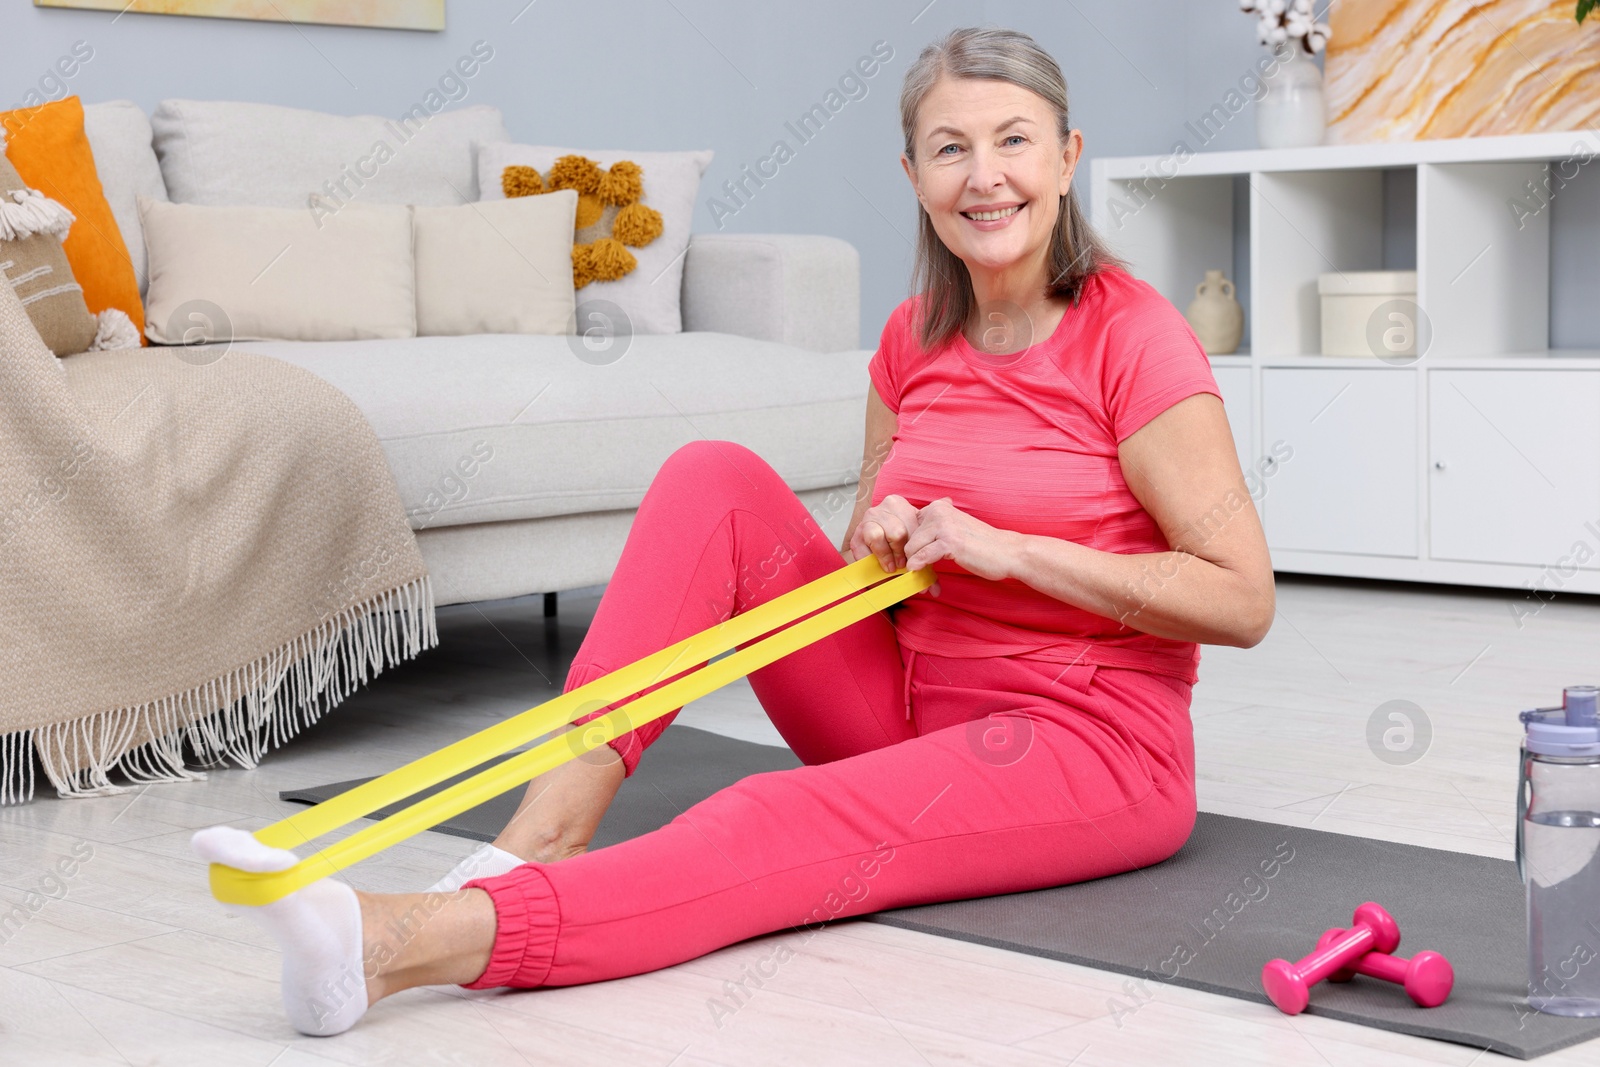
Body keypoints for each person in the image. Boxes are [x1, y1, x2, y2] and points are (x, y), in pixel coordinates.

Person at [192, 25, 1274, 1037]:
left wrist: (1012, 548)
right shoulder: (911, 337)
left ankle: (394, 944)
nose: (982, 175)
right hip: (901, 697)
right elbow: (868, 544)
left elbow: (1241, 597)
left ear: (1068, 155)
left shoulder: (1134, 337)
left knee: (764, 814)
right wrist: (887, 532)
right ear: (912, 177)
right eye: (949, 148)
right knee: (711, 476)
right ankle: (533, 842)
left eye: (1012, 142)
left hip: (1081, 739)